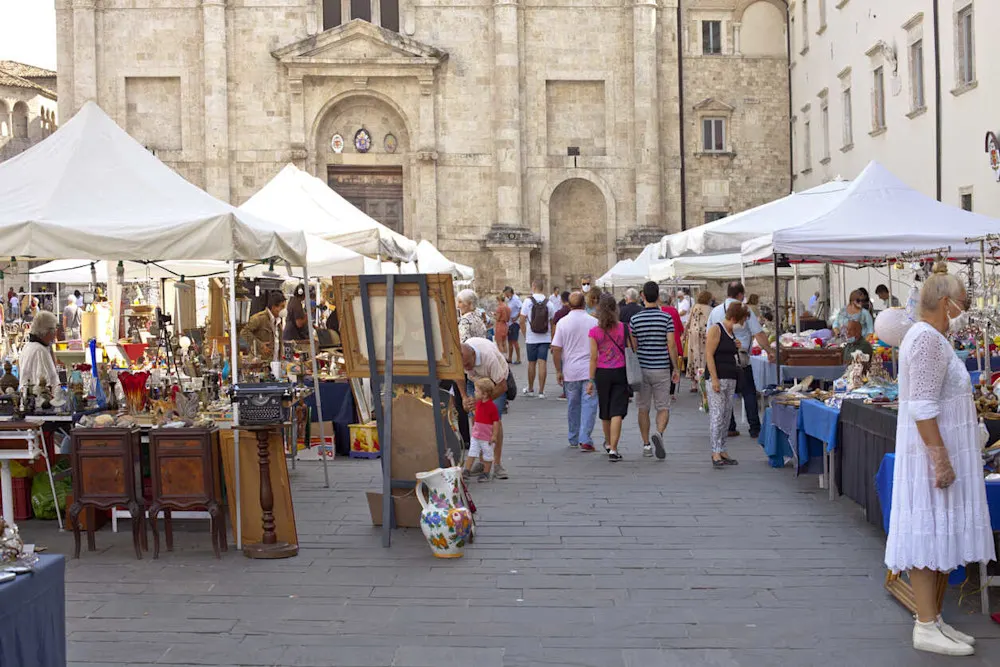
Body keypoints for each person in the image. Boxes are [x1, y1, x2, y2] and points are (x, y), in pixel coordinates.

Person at [885, 263, 994, 656]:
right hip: (934, 455)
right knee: (929, 533)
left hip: (939, 452)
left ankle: (933, 619)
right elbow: (924, 406)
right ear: (946, 304)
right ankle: (926, 623)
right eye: (964, 303)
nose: (966, 311)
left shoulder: (930, 338)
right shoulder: (928, 340)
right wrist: (941, 460)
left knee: (936, 535)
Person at [706, 281, 773, 438]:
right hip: (742, 357)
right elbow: (759, 334)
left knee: (727, 394)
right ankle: (755, 428)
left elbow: (709, 334)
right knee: (748, 392)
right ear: (741, 295)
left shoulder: (715, 311)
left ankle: (730, 426)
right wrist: (770, 351)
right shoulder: (745, 310)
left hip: (721, 358)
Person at [630, 281, 680, 460]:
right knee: (663, 407)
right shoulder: (666, 318)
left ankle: (646, 445)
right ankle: (659, 433)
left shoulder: (635, 320)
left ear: (642, 296)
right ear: (658, 296)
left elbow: (634, 346)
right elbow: (672, 344)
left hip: (642, 369)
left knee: (643, 408)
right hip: (661, 368)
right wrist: (675, 367)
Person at [552, 291, 599, 451]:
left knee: (573, 404)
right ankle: (585, 438)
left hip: (570, 370)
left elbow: (556, 348)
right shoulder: (594, 322)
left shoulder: (562, 323)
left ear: (569, 305)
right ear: (584, 303)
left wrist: (558, 370)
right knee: (589, 404)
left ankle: (573, 436)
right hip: (589, 370)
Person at [459, 338, 510, 479]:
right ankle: (481, 462)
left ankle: (497, 464)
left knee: (495, 421)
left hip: (495, 382)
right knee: (475, 418)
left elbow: (502, 386)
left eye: (468, 364)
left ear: (474, 356)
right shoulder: (461, 358)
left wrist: (483, 403)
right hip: (474, 382)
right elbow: (458, 377)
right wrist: (464, 398)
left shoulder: (489, 358)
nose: (467, 368)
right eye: (464, 366)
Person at [588, 293, 630, 462]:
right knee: (617, 411)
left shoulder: (594, 331)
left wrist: (590, 380)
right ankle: (614, 448)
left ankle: (607, 442)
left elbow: (593, 357)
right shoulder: (624, 328)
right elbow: (631, 348)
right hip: (620, 371)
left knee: (605, 411)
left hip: (602, 373)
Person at [705, 301, 747, 467]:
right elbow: (709, 354)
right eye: (742, 321)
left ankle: (722, 448)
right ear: (735, 318)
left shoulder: (731, 334)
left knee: (726, 415)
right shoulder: (716, 329)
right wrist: (714, 378)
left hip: (731, 377)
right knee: (717, 415)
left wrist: (736, 346)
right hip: (718, 377)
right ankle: (715, 451)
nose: (743, 325)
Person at [519, 279, 557, 399]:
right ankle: (541, 391)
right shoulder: (549, 303)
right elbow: (553, 323)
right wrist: (552, 338)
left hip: (531, 338)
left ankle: (530, 389)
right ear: (543, 287)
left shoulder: (527, 302)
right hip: (545, 338)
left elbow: (521, 320)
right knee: (542, 363)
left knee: (531, 363)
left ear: (533, 286)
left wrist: (526, 335)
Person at [462, 377, 500, 482]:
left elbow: (496, 422)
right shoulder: (478, 403)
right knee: (472, 452)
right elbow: (478, 415)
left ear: (485, 394)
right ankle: (466, 470)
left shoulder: (492, 407)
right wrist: (473, 410)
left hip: (486, 437)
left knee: (488, 455)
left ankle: (486, 473)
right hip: (476, 435)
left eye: (477, 391)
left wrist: (494, 435)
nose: (474, 392)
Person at [18, 310, 59, 390]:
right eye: (54, 330)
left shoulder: (28, 346)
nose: (55, 334)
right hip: (39, 399)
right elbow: (44, 382)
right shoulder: (39, 351)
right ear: (47, 331)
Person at [241, 290, 285, 360]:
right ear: (274, 307)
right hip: (261, 363)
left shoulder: (279, 321)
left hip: (275, 363)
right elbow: (244, 332)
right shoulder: (259, 318)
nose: (284, 310)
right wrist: (260, 345)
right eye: (282, 306)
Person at [659, 290, 685, 401]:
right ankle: (671, 392)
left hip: (662, 344)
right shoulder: (674, 311)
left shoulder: (659, 311)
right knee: (673, 368)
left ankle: (662, 391)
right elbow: (680, 329)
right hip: (674, 343)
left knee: (662, 369)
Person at [685, 290, 713, 392]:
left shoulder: (694, 307)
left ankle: (694, 384)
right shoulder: (710, 309)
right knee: (703, 358)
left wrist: (684, 335)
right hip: (704, 335)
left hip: (693, 335)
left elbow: (688, 322)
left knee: (693, 358)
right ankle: (703, 382)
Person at [503, 286, 522, 365]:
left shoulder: (516, 299)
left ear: (509, 292)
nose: (505, 295)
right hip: (510, 323)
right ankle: (510, 358)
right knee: (510, 341)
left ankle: (518, 358)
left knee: (515, 341)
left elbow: (522, 308)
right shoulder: (510, 300)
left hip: (515, 323)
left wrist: (516, 317)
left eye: (506, 293)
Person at [493, 294, 510, 358]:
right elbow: (507, 318)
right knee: (504, 342)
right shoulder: (507, 307)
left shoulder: (499, 308)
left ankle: (502, 358)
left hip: (499, 325)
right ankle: (505, 356)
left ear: (499, 300)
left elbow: (497, 318)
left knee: (499, 343)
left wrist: (494, 315)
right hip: (505, 325)